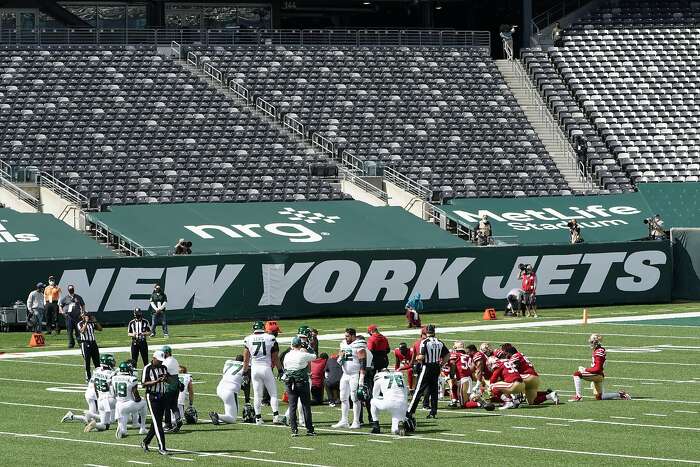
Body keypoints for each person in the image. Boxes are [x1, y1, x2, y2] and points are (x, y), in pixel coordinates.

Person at [407, 324, 449, 422]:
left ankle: (410, 411)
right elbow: (447, 355)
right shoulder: (440, 342)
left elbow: (421, 357)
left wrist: (417, 358)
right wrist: (441, 364)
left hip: (427, 367)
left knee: (418, 390)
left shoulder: (424, 342)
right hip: (436, 367)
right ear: (434, 332)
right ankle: (433, 412)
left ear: (426, 332)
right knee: (434, 390)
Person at [570, 334, 631, 402]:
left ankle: (578, 396)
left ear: (596, 342)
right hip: (598, 374)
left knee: (577, 374)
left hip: (597, 374)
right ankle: (620, 394)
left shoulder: (599, 351)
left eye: (592, 342)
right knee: (600, 397)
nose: (591, 344)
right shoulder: (599, 350)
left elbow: (597, 368)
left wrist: (585, 369)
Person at [243, 320, 282, 425]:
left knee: (257, 394)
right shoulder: (270, 338)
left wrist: (244, 373)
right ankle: (276, 416)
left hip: (255, 369)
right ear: (263, 328)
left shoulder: (248, 339)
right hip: (266, 368)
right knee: (273, 393)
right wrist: (280, 370)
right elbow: (275, 358)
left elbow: (246, 360)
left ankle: (258, 418)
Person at [332, 328, 367, 429]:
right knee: (343, 397)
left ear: (353, 336)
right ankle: (344, 420)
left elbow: (363, 362)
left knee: (355, 398)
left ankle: (356, 421)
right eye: (345, 336)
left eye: (347, 336)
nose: (345, 338)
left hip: (355, 374)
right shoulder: (343, 343)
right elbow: (340, 359)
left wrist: (362, 376)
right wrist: (340, 358)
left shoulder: (359, 344)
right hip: (345, 374)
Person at [283, 336, 317, 437]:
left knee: (292, 406)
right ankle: (309, 429)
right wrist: (307, 349)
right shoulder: (302, 354)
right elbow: (314, 356)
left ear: (291, 345)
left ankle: (294, 430)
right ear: (300, 345)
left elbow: (286, 367)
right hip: (302, 382)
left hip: (290, 383)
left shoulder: (287, 355)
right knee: (306, 406)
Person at [141, 350, 169, 455]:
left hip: (162, 395)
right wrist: (156, 381)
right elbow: (143, 383)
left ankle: (145, 441)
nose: (161, 362)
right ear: (154, 358)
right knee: (158, 423)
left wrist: (166, 379)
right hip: (152, 396)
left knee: (156, 422)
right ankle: (162, 447)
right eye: (159, 360)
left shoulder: (163, 368)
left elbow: (168, 379)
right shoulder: (147, 368)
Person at [370, 365, 408, 436]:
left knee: (373, 401)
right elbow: (405, 392)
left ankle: (376, 425)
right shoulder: (399, 375)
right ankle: (398, 427)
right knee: (394, 430)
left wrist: (383, 397)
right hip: (402, 404)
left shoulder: (379, 376)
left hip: (389, 403)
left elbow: (375, 394)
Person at [113, 361, 147, 438]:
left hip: (119, 404)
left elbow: (113, 392)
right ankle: (143, 428)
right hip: (128, 403)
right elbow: (136, 395)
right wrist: (138, 400)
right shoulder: (132, 379)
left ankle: (122, 430)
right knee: (144, 402)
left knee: (124, 415)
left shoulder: (114, 378)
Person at [84, 354, 116, 432]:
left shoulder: (97, 370)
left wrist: (98, 396)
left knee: (104, 423)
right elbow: (113, 387)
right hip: (109, 399)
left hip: (100, 399)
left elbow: (94, 385)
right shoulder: (111, 373)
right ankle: (134, 420)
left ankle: (94, 422)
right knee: (112, 419)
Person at [210, 355, 245, 425]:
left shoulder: (228, 365)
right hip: (230, 391)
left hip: (220, 388)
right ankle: (217, 415)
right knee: (232, 419)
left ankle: (220, 416)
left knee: (229, 411)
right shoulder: (245, 366)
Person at [161, 346, 182, 433]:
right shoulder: (175, 360)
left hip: (169, 386)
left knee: (166, 406)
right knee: (174, 405)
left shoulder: (166, 362)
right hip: (176, 385)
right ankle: (178, 419)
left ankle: (167, 425)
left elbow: (164, 374)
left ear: (167, 353)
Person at [78, 311, 102, 382]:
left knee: (97, 361)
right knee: (87, 361)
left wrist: (95, 321)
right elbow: (82, 331)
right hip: (85, 343)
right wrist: (86, 322)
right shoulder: (80, 323)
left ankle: (99, 376)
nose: (88, 317)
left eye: (88, 316)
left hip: (93, 343)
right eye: (86, 316)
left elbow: (100, 329)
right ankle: (88, 377)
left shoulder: (92, 323)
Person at [447, 341, 473, 408]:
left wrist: (451, 375)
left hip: (462, 379)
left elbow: (452, 364)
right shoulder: (468, 356)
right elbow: (471, 367)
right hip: (468, 378)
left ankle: (481, 404)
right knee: (467, 399)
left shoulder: (455, 354)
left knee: (463, 404)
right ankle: (454, 399)